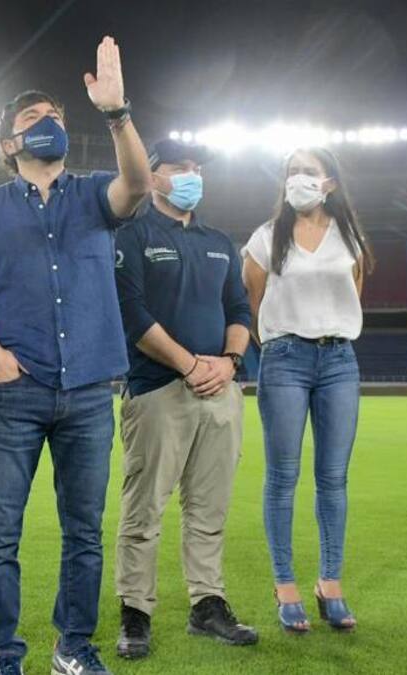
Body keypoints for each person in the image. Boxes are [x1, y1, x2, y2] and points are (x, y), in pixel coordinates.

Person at [0, 36, 150, 675]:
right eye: (34, 118)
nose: (49, 123)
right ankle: (4, 654)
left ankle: (73, 646)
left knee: (84, 533)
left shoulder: (93, 194)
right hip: (14, 391)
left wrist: (116, 113)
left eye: (56, 116)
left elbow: (139, 184)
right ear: (8, 144)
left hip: (88, 390)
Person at [112, 139, 257, 659]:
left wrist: (229, 362)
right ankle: (135, 611)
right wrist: (190, 364)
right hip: (157, 389)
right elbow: (132, 314)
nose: (193, 175)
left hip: (220, 390)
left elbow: (239, 309)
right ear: (153, 176)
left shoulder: (219, 241)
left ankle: (207, 604)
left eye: (197, 167)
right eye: (180, 167)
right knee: (143, 509)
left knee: (209, 507)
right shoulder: (131, 235)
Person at [241, 147, 372, 634]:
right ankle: (285, 585)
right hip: (285, 359)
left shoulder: (349, 238)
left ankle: (330, 583)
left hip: (339, 360)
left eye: (308, 172)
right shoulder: (265, 237)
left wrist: (324, 333)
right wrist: (280, 344)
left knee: (333, 478)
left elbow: (352, 295)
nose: (298, 178)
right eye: (291, 171)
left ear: (329, 183)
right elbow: (251, 300)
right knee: (282, 477)